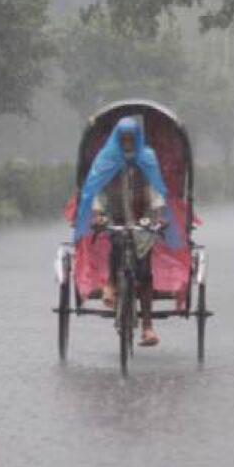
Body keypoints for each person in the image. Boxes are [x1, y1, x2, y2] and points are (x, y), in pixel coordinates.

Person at [73, 117, 172, 347]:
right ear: (118, 139)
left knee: (145, 273)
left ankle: (148, 327)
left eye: (131, 139)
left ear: (137, 139)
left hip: (142, 220)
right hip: (116, 217)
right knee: (116, 246)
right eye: (123, 139)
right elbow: (99, 191)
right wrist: (98, 214)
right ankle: (110, 283)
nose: (127, 143)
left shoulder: (146, 158)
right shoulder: (107, 158)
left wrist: (159, 215)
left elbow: (155, 189)